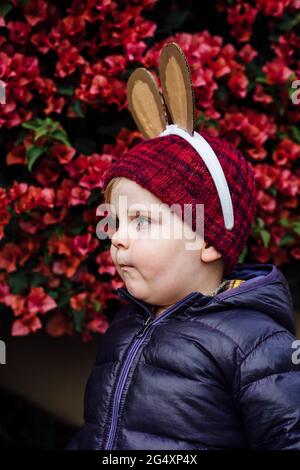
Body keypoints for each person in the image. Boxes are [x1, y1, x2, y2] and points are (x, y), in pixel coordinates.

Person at [65, 43, 300, 450]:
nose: (116, 235)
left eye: (142, 220)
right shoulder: (126, 324)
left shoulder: (256, 345)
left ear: (207, 239)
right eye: (116, 221)